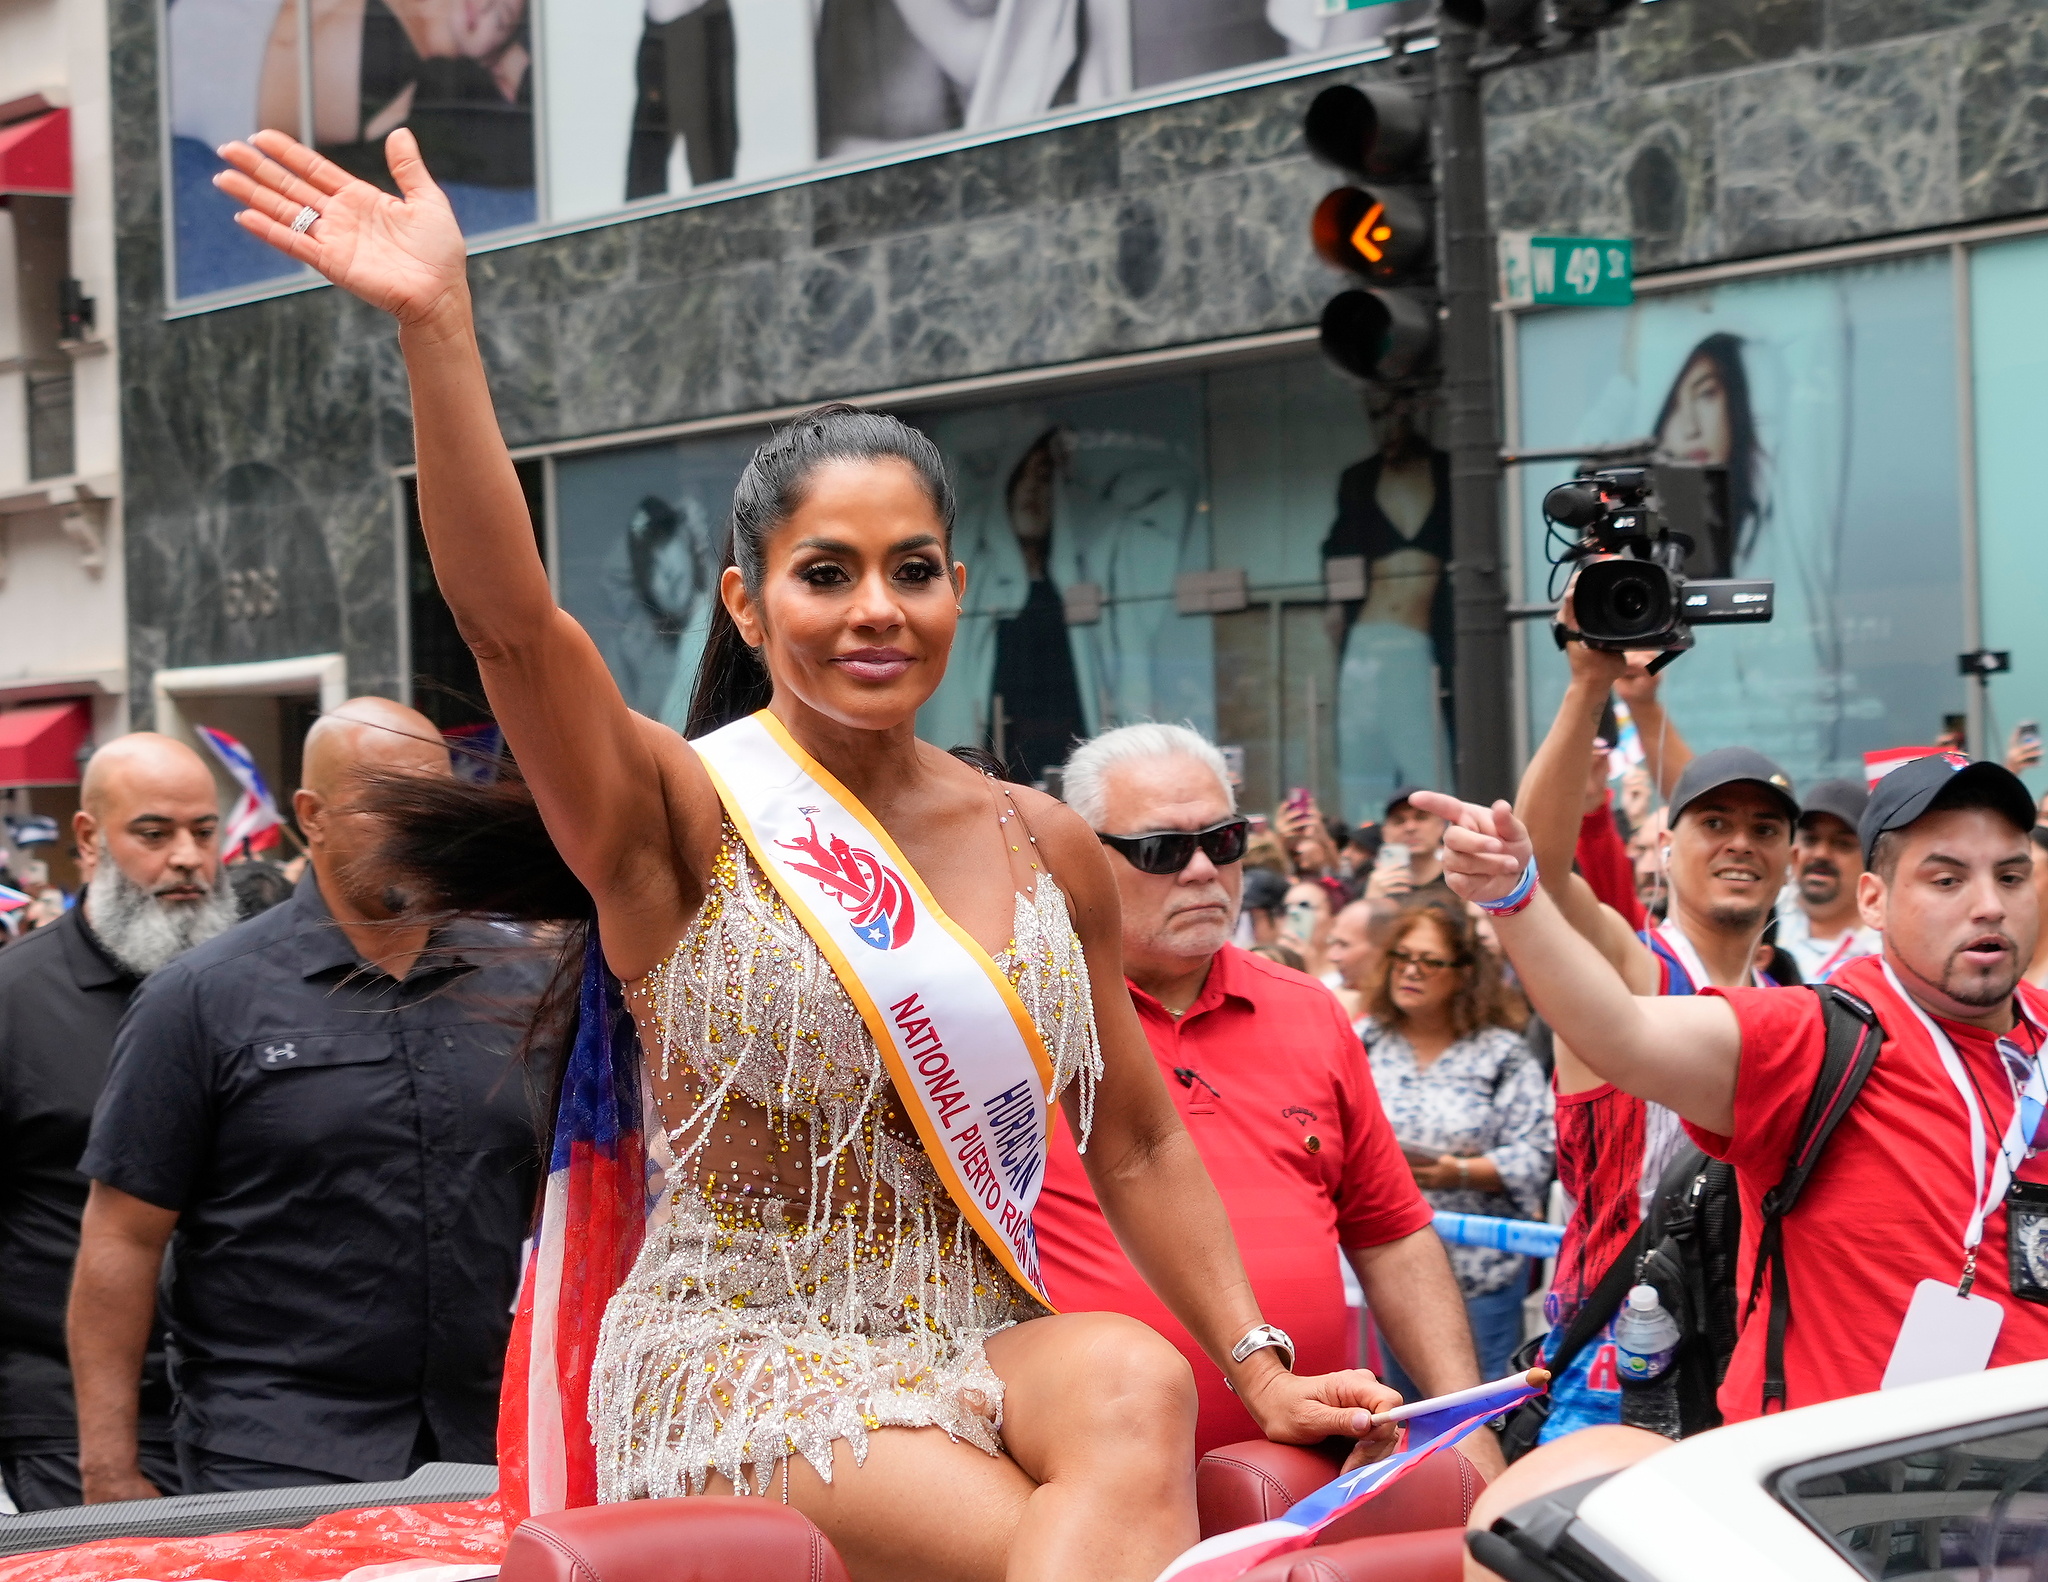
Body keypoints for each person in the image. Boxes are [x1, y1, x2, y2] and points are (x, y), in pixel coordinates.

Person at [215, 130, 1410, 1582]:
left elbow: (1142, 1136)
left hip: (972, 1336)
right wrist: (437, 331)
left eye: (911, 568)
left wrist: (1262, 1360)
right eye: (825, 572)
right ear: (746, 599)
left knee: (1134, 1371)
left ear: (959, 589)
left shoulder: (1045, 843)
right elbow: (514, 626)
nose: (875, 609)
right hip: (741, 1355)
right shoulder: (679, 815)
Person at [1419, 744, 2048, 1422]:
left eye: (2011, 877)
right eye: (1946, 880)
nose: (1989, 905)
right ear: (1875, 899)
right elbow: (1618, 1033)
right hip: (1840, 1494)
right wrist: (1516, 896)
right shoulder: (1815, 1035)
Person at [68, 698, 543, 1500]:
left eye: (434, 803)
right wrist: (108, 1469)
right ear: (311, 818)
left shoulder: (526, 989)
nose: (418, 827)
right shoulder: (200, 1000)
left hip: (488, 1440)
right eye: (385, 804)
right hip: (276, 1455)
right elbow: (121, 1241)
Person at [1033, 725, 1501, 1474]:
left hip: (1307, 1486)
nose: (1200, 872)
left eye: (1223, 841)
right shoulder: (1021, 1019)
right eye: (1161, 850)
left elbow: (1390, 1233)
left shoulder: (1309, 1011)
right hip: (1089, 1483)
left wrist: (1461, 1411)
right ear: (1076, 860)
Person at [1515, 629, 1795, 1443]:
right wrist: (1588, 685)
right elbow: (1539, 865)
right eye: (1714, 822)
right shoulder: (1629, 968)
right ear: (1666, 845)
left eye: (1765, 829)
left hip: (1751, 1377)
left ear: (1788, 858)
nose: (1741, 842)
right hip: (1614, 1373)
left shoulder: (1799, 1011)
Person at [0, 734, 236, 1510]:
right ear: (88, 838)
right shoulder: (15, 1001)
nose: (186, 859)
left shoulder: (254, 990)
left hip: (247, 1417)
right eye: (154, 832)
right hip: (64, 1424)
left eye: (204, 832)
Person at [1360, 903, 1552, 1390]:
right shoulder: (1366, 1040)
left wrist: (1459, 1172)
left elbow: (1538, 1152)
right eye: (1401, 957)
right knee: (1399, 1411)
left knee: (1477, 1410)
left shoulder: (1501, 1053)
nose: (1410, 971)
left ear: (1464, 974)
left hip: (1478, 1273)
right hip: (1388, 1268)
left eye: (1429, 961)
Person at [1323, 396, 1453, 820]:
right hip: (1366, 638)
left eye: (1393, 413)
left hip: (1415, 642)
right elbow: (1337, 556)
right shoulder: (1359, 479)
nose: (1385, 428)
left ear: (1416, 411)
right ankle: (1367, 844)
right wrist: (1336, 610)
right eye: (1376, 416)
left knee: (1426, 758)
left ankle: (1443, 839)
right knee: (1361, 758)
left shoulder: (1448, 472)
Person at [1777, 778, 1881, 981]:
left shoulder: (1888, 951)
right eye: (1810, 840)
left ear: (1873, 861)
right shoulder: (1763, 918)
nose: (1821, 854)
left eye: (1842, 844)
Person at [1363, 787, 1455, 908]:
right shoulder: (1371, 884)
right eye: (1399, 821)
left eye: (1421, 818)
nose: (1410, 827)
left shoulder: (1459, 880)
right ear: (1385, 833)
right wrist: (1372, 903)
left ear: (1441, 826)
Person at [1326, 896, 1393, 1024]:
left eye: (1344, 945)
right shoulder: (1330, 990)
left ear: (1384, 948)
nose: (1332, 956)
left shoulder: (1407, 1011)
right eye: (1333, 942)